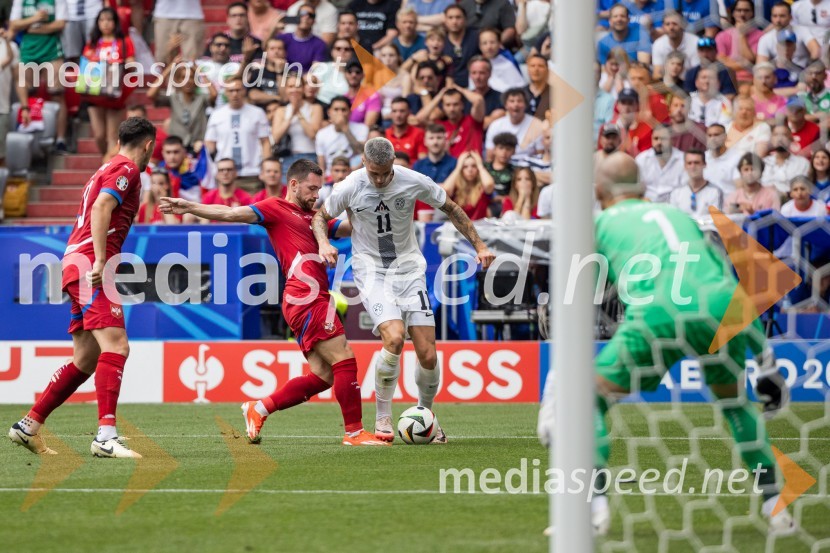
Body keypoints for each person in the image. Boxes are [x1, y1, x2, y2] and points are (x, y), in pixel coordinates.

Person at [538, 151, 794, 536]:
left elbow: (576, 298)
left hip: (657, 310)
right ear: (642, 187)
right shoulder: (680, 217)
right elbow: (724, 287)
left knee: (585, 399)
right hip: (721, 310)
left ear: (600, 192)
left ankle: (594, 509)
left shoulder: (600, 221)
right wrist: (767, 362)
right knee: (736, 404)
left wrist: (558, 376)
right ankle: (778, 508)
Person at [160, 160, 388, 447]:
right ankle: (354, 433)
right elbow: (230, 213)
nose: (316, 195)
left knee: (324, 374)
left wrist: (372, 207)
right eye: (311, 188)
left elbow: (349, 228)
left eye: (319, 189)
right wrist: (190, 206)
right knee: (344, 356)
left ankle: (260, 407)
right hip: (304, 296)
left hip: (312, 296)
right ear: (293, 184)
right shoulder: (274, 209)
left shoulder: (315, 217)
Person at [312, 137, 496, 443]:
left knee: (427, 354)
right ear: (364, 164)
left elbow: (450, 207)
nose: (381, 179)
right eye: (375, 173)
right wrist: (323, 242)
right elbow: (320, 216)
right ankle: (383, 416)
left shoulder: (413, 180)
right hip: (371, 270)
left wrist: (479, 244)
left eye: (386, 172)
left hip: (410, 270)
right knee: (395, 337)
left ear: (394, 161)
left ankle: (425, 416)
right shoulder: (350, 185)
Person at [8, 117, 156, 458]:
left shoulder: (104, 167)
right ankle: (105, 436)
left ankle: (29, 425)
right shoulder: (128, 170)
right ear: (148, 144)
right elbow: (103, 207)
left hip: (74, 260)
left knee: (86, 357)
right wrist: (103, 259)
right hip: (91, 262)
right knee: (116, 346)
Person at [11, 0, 69, 153]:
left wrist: (34, 28)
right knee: (25, 90)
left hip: (52, 50)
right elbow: (14, 24)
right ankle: (28, 138)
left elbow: (60, 24)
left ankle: (60, 140)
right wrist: (35, 18)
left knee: (57, 94)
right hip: (28, 50)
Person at [204, 78, 272, 195]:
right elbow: (210, 144)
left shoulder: (257, 113)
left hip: (251, 174)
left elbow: (265, 142)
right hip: (225, 175)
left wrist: (265, 167)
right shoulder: (217, 115)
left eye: (238, 90)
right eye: (231, 91)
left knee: (251, 211)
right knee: (224, 212)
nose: (234, 94)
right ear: (225, 92)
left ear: (244, 91)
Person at [148, 61, 214, 149]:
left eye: (191, 77)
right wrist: (168, 70)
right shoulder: (173, 97)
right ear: (178, 80)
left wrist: (201, 74)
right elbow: (150, 94)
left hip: (197, 146)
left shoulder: (201, 98)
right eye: (183, 77)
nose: (187, 81)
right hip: (176, 147)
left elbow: (214, 95)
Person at [271, 72, 324, 171]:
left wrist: (298, 112)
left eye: (298, 86)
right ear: (286, 89)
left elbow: (313, 135)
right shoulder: (281, 111)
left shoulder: (315, 108)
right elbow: (276, 137)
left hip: (310, 156)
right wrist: (291, 114)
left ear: (303, 89)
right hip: (287, 158)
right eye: (290, 86)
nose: (294, 90)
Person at [419, 85, 484, 158]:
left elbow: (478, 100)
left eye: (455, 104)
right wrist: (440, 95)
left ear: (462, 105)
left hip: (470, 166)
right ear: (443, 107)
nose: (452, 109)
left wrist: (459, 89)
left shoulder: (473, 121)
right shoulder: (439, 126)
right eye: (448, 105)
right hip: (447, 167)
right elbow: (419, 120)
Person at [485, 88, 544, 163]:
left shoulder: (537, 125)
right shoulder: (496, 125)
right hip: (503, 168)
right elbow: (489, 157)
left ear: (525, 104)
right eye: (512, 101)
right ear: (505, 105)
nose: (515, 104)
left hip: (528, 168)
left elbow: (541, 155)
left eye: (519, 101)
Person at [315, 96, 369, 175]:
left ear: (350, 112)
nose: (340, 113)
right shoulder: (321, 134)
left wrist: (345, 129)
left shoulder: (362, 128)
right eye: (336, 110)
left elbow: (361, 151)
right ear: (329, 113)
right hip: (330, 175)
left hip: (355, 174)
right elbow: (321, 165)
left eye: (343, 110)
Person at [757, 2, 820, 67]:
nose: (778, 20)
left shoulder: (802, 30)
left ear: (791, 17)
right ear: (771, 17)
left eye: (782, 16)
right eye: (775, 16)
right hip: (778, 74)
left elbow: (816, 50)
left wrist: (810, 68)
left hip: (802, 72)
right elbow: (761, 65)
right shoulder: (765, 38)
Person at [715, 0, 762, 84]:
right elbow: (721, 61)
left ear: (752, 13)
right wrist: (741, 65)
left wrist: (741, 35)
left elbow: (750, 60)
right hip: (727, 80)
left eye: (746, 10)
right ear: (733, 13)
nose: (742, 14)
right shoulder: (721, 36)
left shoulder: (760, 36)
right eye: (738, 10)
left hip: (752, 79)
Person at [634, 125, 685, 202]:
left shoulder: (683, 159)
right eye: (656, 138)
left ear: (672, 140)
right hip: (647, 206)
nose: (659, 142)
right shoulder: (642, 159)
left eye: (663, 138)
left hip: (674, 207)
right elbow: (636, 187)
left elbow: (686, 190)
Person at [668, 149, 723, 218]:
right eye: (689, 163)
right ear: (685, 166)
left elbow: (716, 220)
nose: (693, 167)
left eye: (696, 163)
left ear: (704, 164)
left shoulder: (715, 192)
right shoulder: (676, 192)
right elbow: (673, 218)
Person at [442, 150, 495, 220]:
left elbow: (489, 184)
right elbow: (446, 189)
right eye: (465, 167)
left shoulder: (483, 187)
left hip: (480, 227)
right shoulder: (455, 188)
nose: (470, 170)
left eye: (474, 166)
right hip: (459, 228)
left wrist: (480, 165)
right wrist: (458, 168)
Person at [762, 124, 811, 196]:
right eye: (776, 135)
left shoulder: (802, 163)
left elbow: (803, 189)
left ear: (791, 139)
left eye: (784, 135)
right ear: (771, 140)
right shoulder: (763, 163)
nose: (780, 138)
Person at [278, 5, 327, 72]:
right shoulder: (283, 38)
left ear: (314, 21)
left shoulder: (319, 44)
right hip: (281, 76)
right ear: (296, 18)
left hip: (305, 80)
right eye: (302, 14)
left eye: (310, 15)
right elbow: (265, 49)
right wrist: (275, 27)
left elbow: (315, 71)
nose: (306, 17)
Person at [651, 11, 699, 79]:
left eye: (675, 24)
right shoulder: (658, 44)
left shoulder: (695, 42)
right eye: (667, 24)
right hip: (667, 84)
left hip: (691, 83)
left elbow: (697, 72)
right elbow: (657, 74)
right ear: (663, 27)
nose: (671, 28)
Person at [475, 27, 524, 94]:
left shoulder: (508, 62)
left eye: (492, 42)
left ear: (499, 44)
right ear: (480, 46)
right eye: (484, 43)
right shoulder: (476, 64)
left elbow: (519, 87)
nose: (489, 47)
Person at [442, 4, 479, 88]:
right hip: (447, 89)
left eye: (458, 17)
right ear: (445, 20)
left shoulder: (476, 37)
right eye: (450, 18)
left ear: (465, 19)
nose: (454, 21)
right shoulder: (439, 40)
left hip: (474, 86)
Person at [377, 44, 413, 124]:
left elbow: (405, 101)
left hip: (399, 114)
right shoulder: (377, 75)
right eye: (384, 55)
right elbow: (377, 101)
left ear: (398, 57)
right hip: (380, 114)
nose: (388, 59)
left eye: (391, 55)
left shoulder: (405, 76)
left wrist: (392, 114)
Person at [467, 56, 505, 131]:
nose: (477, 77)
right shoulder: (464, 98)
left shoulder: (501, 97)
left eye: (482, 73)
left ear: (490, 74)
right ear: (470, 75)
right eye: (474, 73)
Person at [344, 59, 382, 128]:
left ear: (363, 75)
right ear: (345, 75)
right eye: (350, 72)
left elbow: (368, 126)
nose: (353, 75)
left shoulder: (372, 95)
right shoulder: (343, 98)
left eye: (357, 72)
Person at [385, 97, 426, 161]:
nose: (398, 115)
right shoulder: (385, 134)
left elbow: (423, 161)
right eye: (394, 111)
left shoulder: (419, 133)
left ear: (409, 112)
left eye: (402, 111)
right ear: (391, 113)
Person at [703, 123, 739, 195]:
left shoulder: (737, 157)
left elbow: (740, 188)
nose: (713, 138)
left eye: (716, 135)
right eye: (709, 135)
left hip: (728, 202)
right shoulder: (702, 157)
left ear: (725, 137)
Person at [485, 132, 516, 215]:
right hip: (484, 204)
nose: (504, 152)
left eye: (508, 149)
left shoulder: (515, 171)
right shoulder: (484, 168)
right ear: (494, 149)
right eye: (501, 148)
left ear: (514, 151)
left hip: (506, 207)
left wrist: (502, 199)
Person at [523, 54, 549, 121]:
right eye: (532, 66)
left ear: (547, 70)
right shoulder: (521, 93)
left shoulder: (555, 93)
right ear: (527, 69)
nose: (536, 69)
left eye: (540, 66)